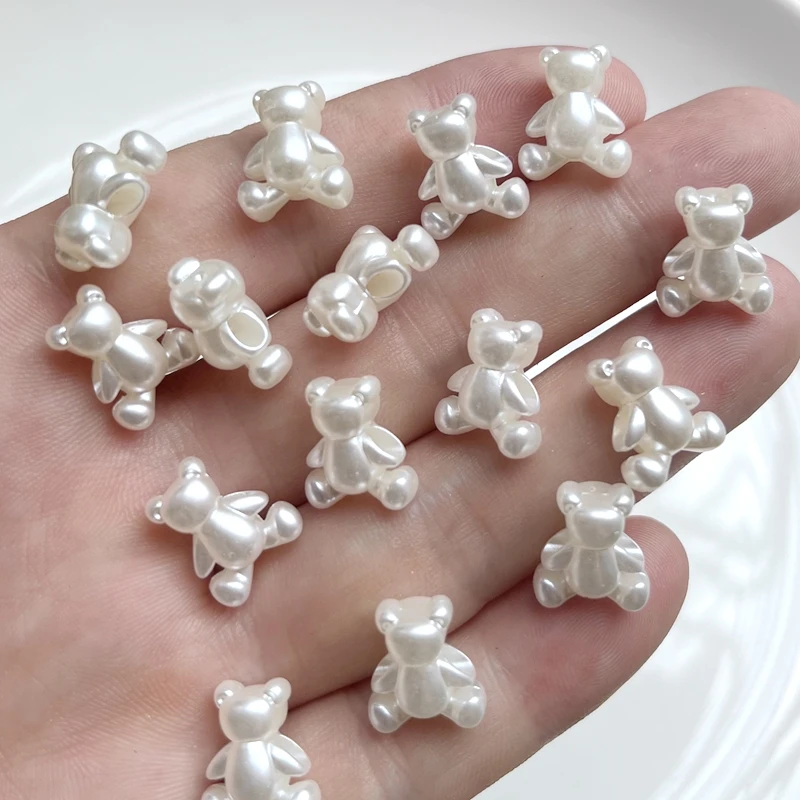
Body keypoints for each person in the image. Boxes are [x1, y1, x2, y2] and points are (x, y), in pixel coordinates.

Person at [0, 45, 798, 799]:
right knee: (338, 445)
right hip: (296, 387)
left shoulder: (459, 334)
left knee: (416, 438)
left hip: (397, 380)